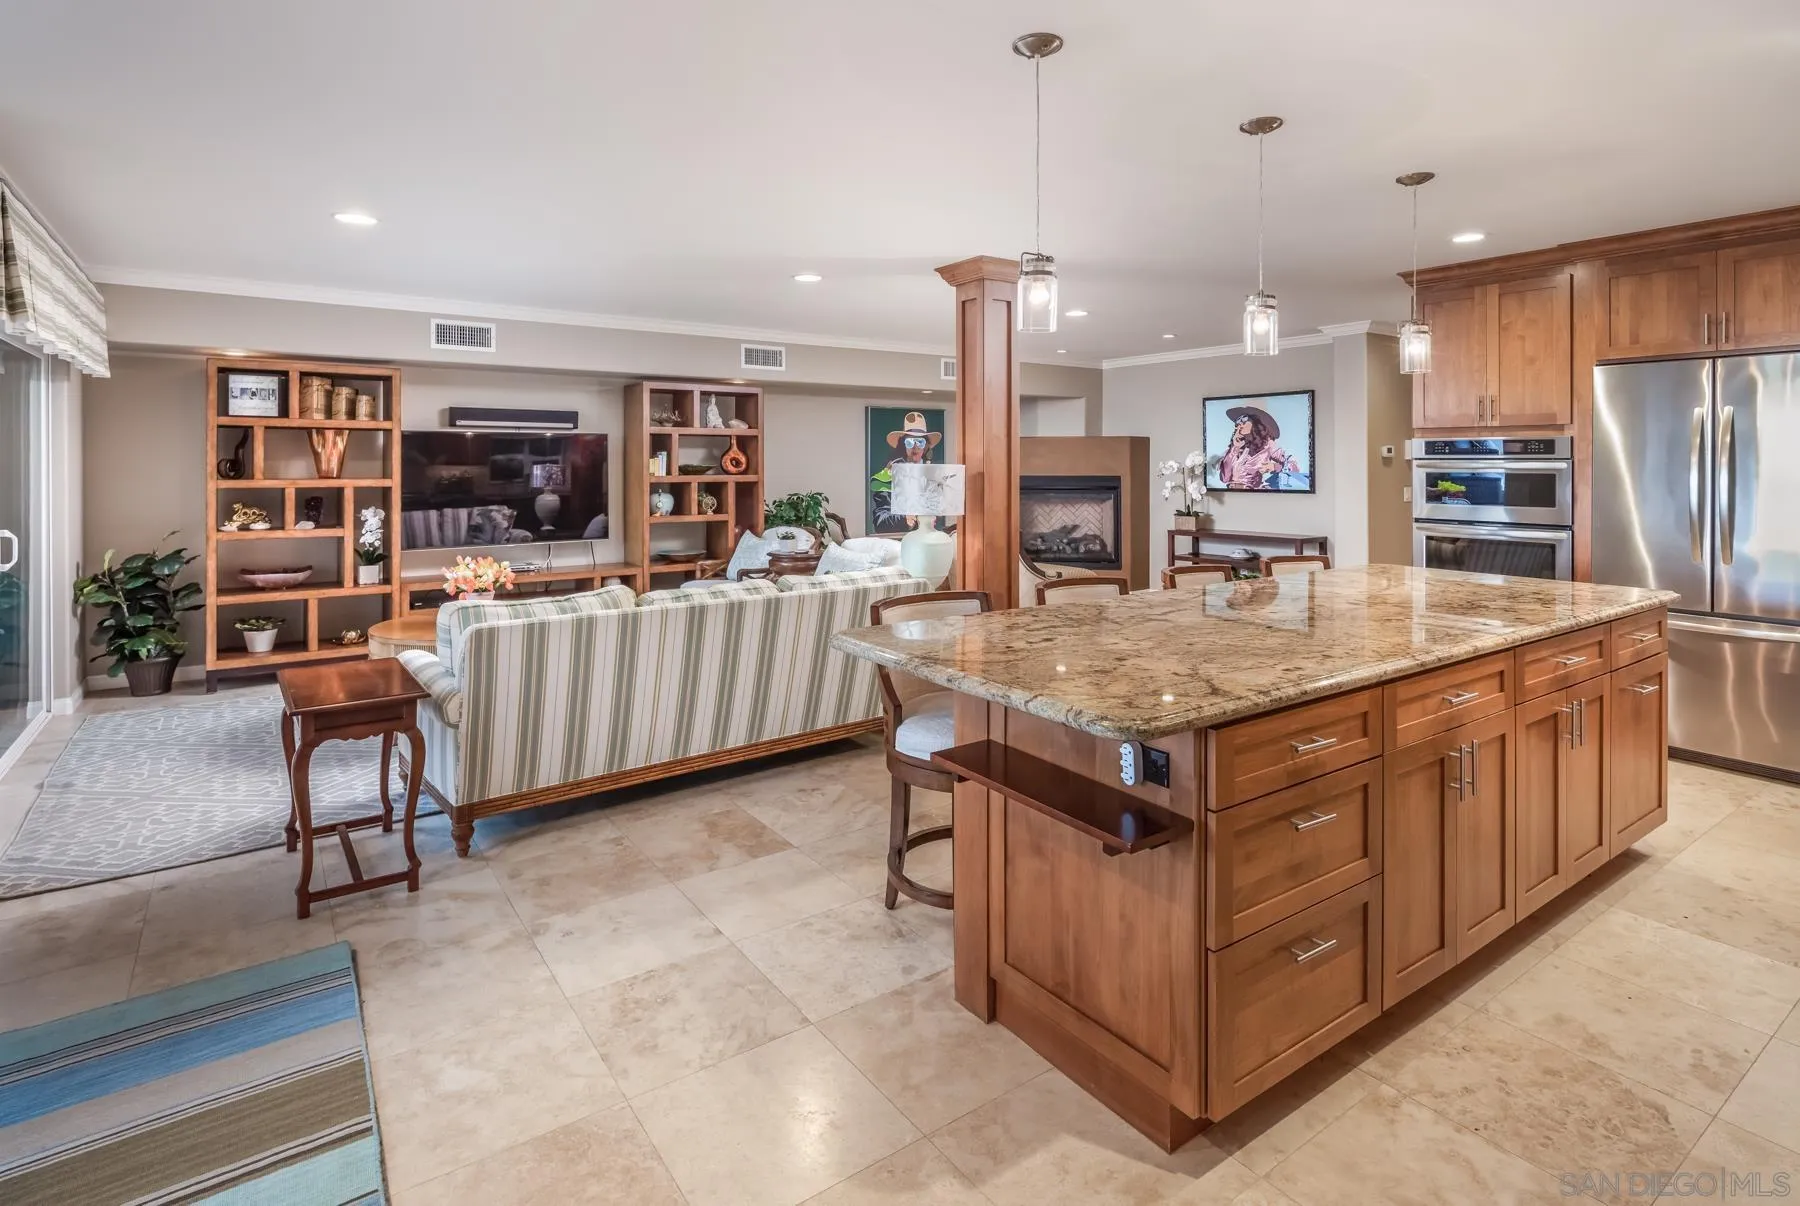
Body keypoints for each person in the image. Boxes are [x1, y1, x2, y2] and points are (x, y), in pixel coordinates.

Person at [870, 411, 942, 533]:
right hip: (899, 542)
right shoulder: (887, 474)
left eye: (920, 442)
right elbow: (879, 521)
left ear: (926, 446)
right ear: (903, 444)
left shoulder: (934, 475)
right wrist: (903, 520)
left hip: (928, 540)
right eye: (910, 442)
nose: (915, 447)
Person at [1217, 404, 1307, 490]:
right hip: (1231, 493)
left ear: (1255, 423)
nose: (1239, 425)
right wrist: (1234, 448)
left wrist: (1275, 467)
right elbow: (1224, 478)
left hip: (1254, 495)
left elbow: (1294, 466)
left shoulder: (1267, 444)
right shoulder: (1235, 448)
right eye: (1237, 423)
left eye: (1244, 420)